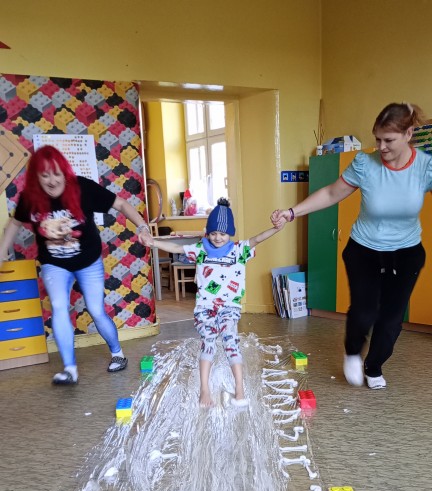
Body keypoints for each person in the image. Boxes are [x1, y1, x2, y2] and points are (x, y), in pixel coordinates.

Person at [272, 102, 432, 390]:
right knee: (364, 310)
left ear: (409, 134)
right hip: (364, 250)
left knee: (391, 319)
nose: (381, 147)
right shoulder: (365, 164)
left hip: (406, 253)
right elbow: (332, 193)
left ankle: (374, 366)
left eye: (389, 140)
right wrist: (292, 212)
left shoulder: (425, 166)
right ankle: (352, 352)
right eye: (377, 139)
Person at [0, 145, 150, 385]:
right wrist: (1, 252)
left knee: (96, 310)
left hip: (88, 261)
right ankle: (70, 369)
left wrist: (142, 227)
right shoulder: (30, 197)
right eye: (45, 175)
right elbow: (15, 224)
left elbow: (121, 204)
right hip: (54, 264)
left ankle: (118, 354)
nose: (52, 181)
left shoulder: (82, 188)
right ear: (36, 177)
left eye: (57, 174)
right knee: (59, 307)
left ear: (65, 172)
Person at [141, 198, 285, 407]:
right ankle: (204, 391)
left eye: (223, 234)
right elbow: (176, 248)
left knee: (230, 342)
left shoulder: (239, 250)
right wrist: (153, 242)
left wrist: (276, 228)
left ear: (230, 234)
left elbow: (257, 239)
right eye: (214, 233)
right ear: (208, 232)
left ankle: (240, 390)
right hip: (205, 308)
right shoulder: (201, 249)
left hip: (229, 308)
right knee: (208, 342)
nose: (218, 238)